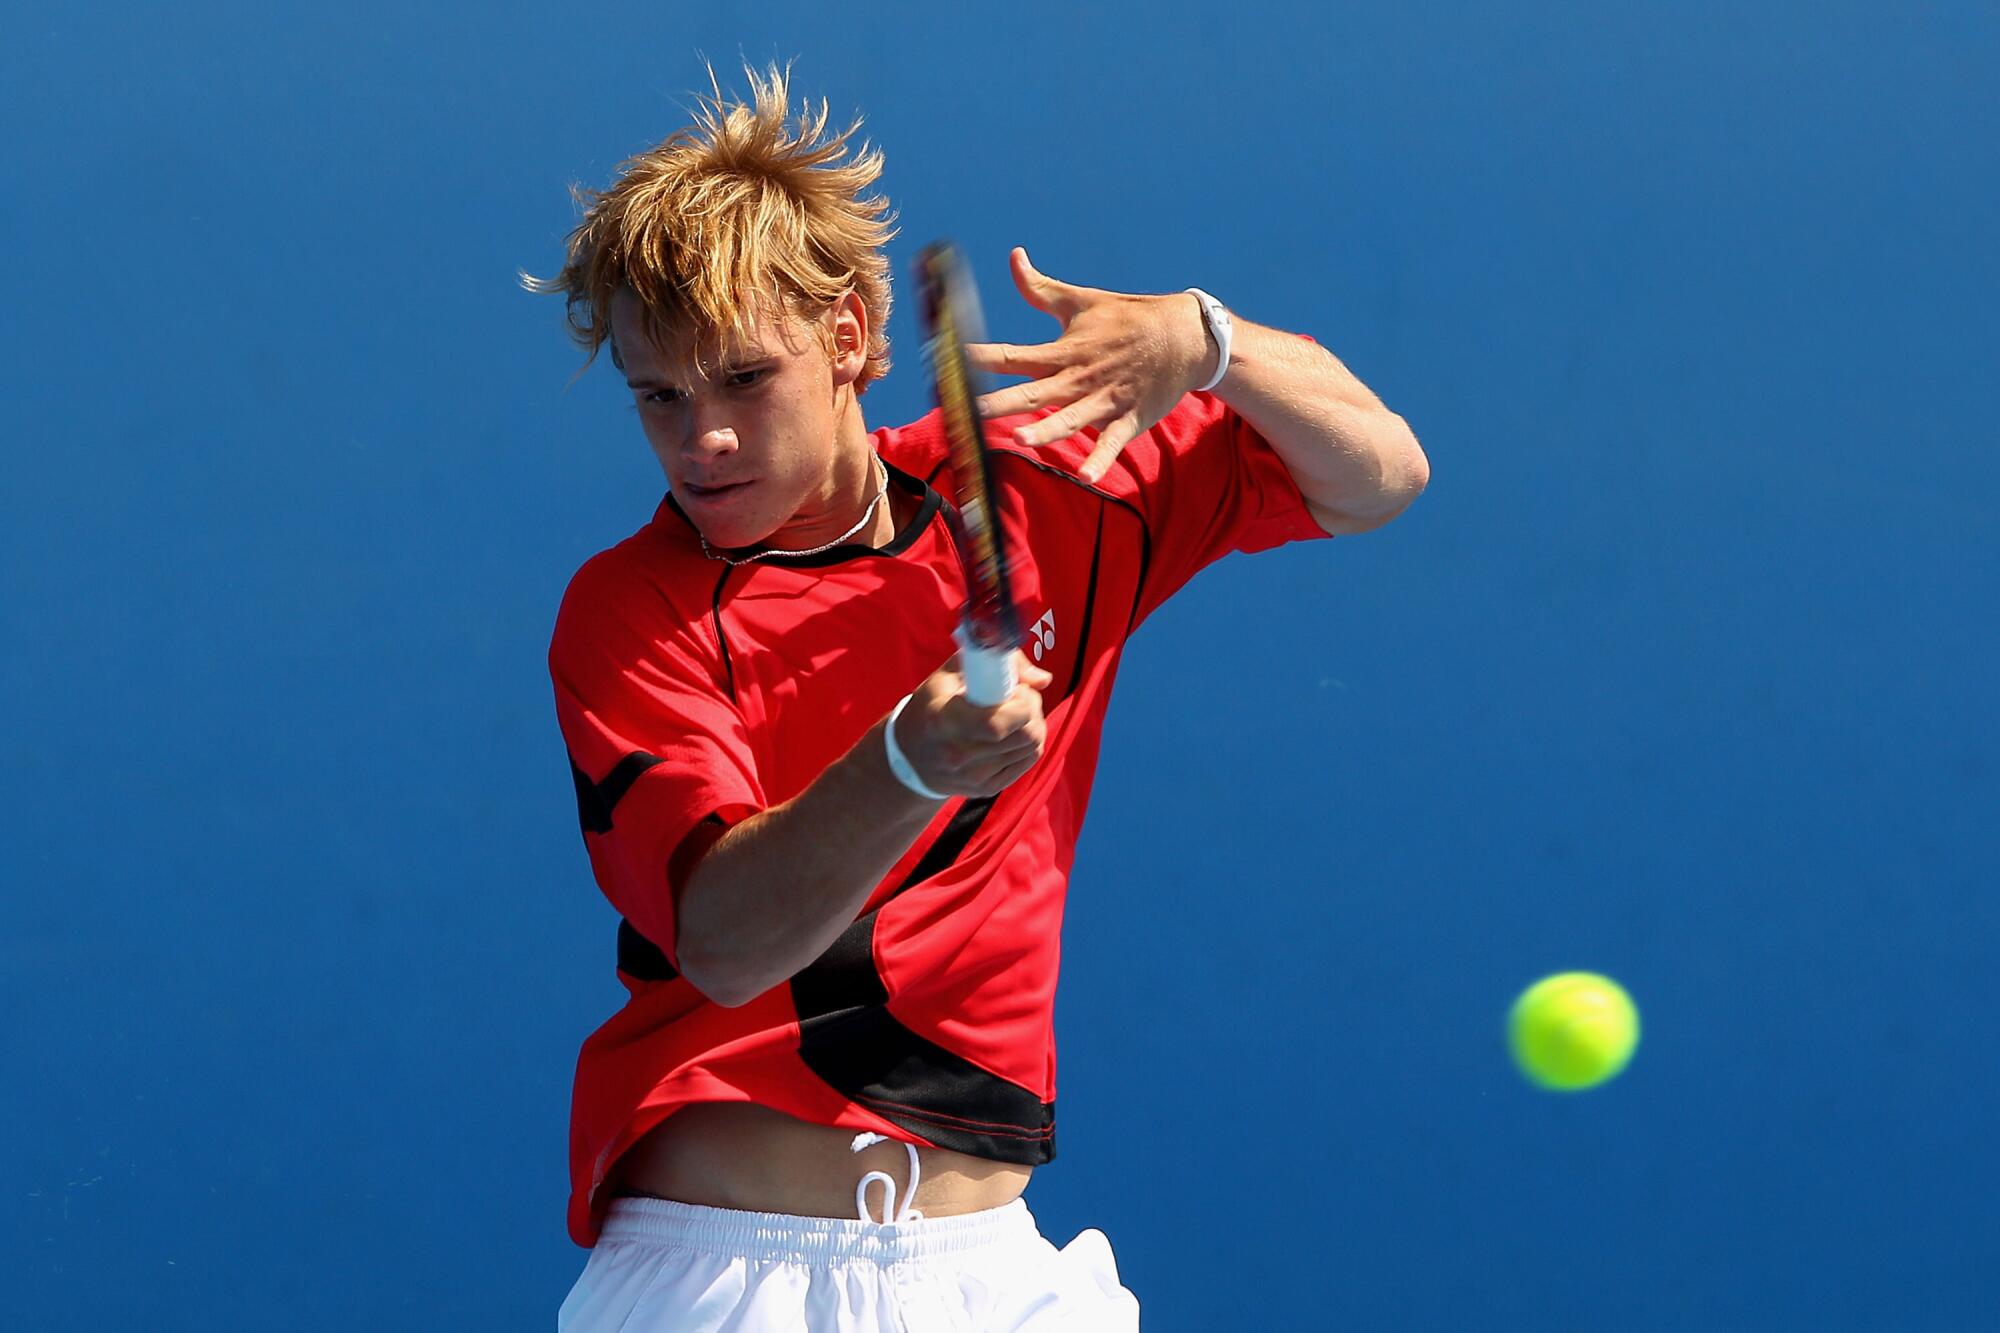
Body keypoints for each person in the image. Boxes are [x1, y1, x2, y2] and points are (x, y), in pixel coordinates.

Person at [523, 63, 1428, 1333]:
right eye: (658, 397)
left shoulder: (1050, 484)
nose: (701, 439)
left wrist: (1201, 340)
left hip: (992, 1272)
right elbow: (723, 943)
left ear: (846, 336)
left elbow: (1378, 473)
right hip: (728, 1277)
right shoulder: (631, 612)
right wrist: (907, 762)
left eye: (740, 379)